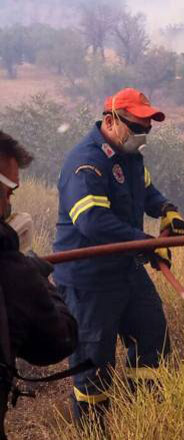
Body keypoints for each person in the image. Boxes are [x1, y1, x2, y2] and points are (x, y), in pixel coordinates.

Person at [52, 88, 184, 426]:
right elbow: (93, 222)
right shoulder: (86, 163)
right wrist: (147, 243)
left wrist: (166, 209)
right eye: (138, 126)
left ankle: (140, 416)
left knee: (152, 335)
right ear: (111, 121)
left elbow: (146, 191)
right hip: (89, 279)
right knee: (93, 364)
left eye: (148, 128)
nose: (144, 134)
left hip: (126, 270)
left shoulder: (130, 156)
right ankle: (92, 430)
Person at [0, 131, 78, 439]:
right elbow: (59, 341)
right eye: (8, 193)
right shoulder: (13, 273)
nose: (9, 207)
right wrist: (39, 278)